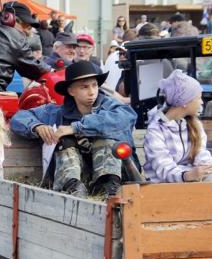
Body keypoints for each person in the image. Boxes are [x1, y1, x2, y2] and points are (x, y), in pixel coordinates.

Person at [10, 61, 138, 198]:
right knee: (64, 140)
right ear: (71, 91)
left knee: (107, 139)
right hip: (77, 179)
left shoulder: (113, 107)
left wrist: (76, 127)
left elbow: (126, 117)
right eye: (84, 87)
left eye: (94, 85)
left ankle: (107, 186)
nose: (92, 92)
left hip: (118, 179)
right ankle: (72, 187)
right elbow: (18, 117)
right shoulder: (56, 112)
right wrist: (36, 126)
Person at [143, 70, 212, 183]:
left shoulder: (194, 124)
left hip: (190, 178)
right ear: (185, 102)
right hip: (163, 185)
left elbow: (200, 152)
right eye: (198, 98)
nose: (201, 102)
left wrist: (209, 167)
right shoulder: (156, 130)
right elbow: (163, 168)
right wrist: (187, 175)